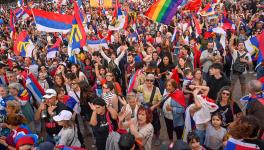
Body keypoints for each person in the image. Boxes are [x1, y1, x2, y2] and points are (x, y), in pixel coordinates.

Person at [136, 73, 162, 145]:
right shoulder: (140, 87)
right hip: (143, 110)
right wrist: (139, 104)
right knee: (142, 124)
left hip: (152, 110)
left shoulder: (156, 89)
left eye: (151, 80)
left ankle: (157, 138)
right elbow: (136, 98)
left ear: (153, 81)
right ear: (145, 80)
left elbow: (160, 100)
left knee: (156, 125)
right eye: (147, 80)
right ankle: (143, 137)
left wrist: (154, 106)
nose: (149, 82)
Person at [163, 79, 185, 144]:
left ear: (174, 86)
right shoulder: (166, 92)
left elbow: (182, 109)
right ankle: (171, 143)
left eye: (170, 85)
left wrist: (171, 109)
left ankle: (179, 145)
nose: (167, 87)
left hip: (176, 120)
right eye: (166, 85)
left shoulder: (179, 94)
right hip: (167, 117)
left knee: (178, 135)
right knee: (169, 131)